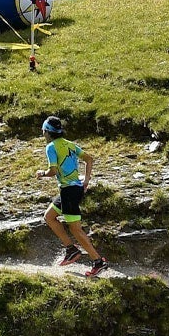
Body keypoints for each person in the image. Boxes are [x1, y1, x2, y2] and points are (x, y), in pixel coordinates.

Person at [40, 116, 106, 276]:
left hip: (69, 191)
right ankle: (71, 249)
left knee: (76, 229)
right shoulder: (70, 144)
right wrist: (86, 181)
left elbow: (53, 171)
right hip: (71, 189)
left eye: (43, 130)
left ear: (47, 132)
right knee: (49, 216)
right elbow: (89, 159)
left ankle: (98, 262)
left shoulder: (51, 147)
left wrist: (41, 173)